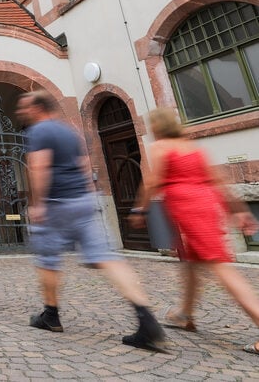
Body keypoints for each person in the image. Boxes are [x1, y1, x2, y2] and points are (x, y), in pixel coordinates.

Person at [17, 91, 165, 352]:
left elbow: (39, 167)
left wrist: (38, 204)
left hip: (57, 204)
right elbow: (85, 165)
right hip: (84, 201)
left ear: (38, 108)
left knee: (48, 259)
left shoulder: (39, 132)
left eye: (25, 108)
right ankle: (146, 318)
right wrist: (88, 195)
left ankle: (51, 315)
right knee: (107, 257)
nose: (21, 112)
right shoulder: (71, 132)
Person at [130, 108, 259, 354]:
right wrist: (237, 210)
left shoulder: (161, 147)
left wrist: (141, 210)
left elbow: (153, 181)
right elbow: (216, 180)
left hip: (187, 208)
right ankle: (184, 315)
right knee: (191, 262)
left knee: (221, 268)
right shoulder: (193, 147)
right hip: (207, 203)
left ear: (157, 127)